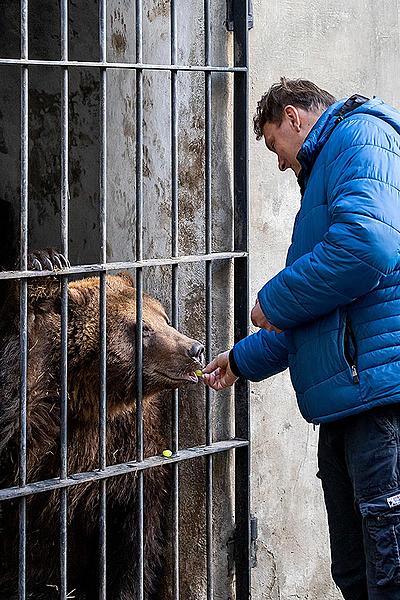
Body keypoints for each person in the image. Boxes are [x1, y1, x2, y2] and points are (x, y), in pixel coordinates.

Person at [203, 78, 400, 599]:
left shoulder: (361, 136)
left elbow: (368, 245)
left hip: (380, 404)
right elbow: (313, 324)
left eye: (273, 146)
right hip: (347, 407)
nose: (277, 162)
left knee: (390, 571)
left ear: (293, 117)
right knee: (356, 573)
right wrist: (239, 361)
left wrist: (273, 300)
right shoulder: (322, 179)